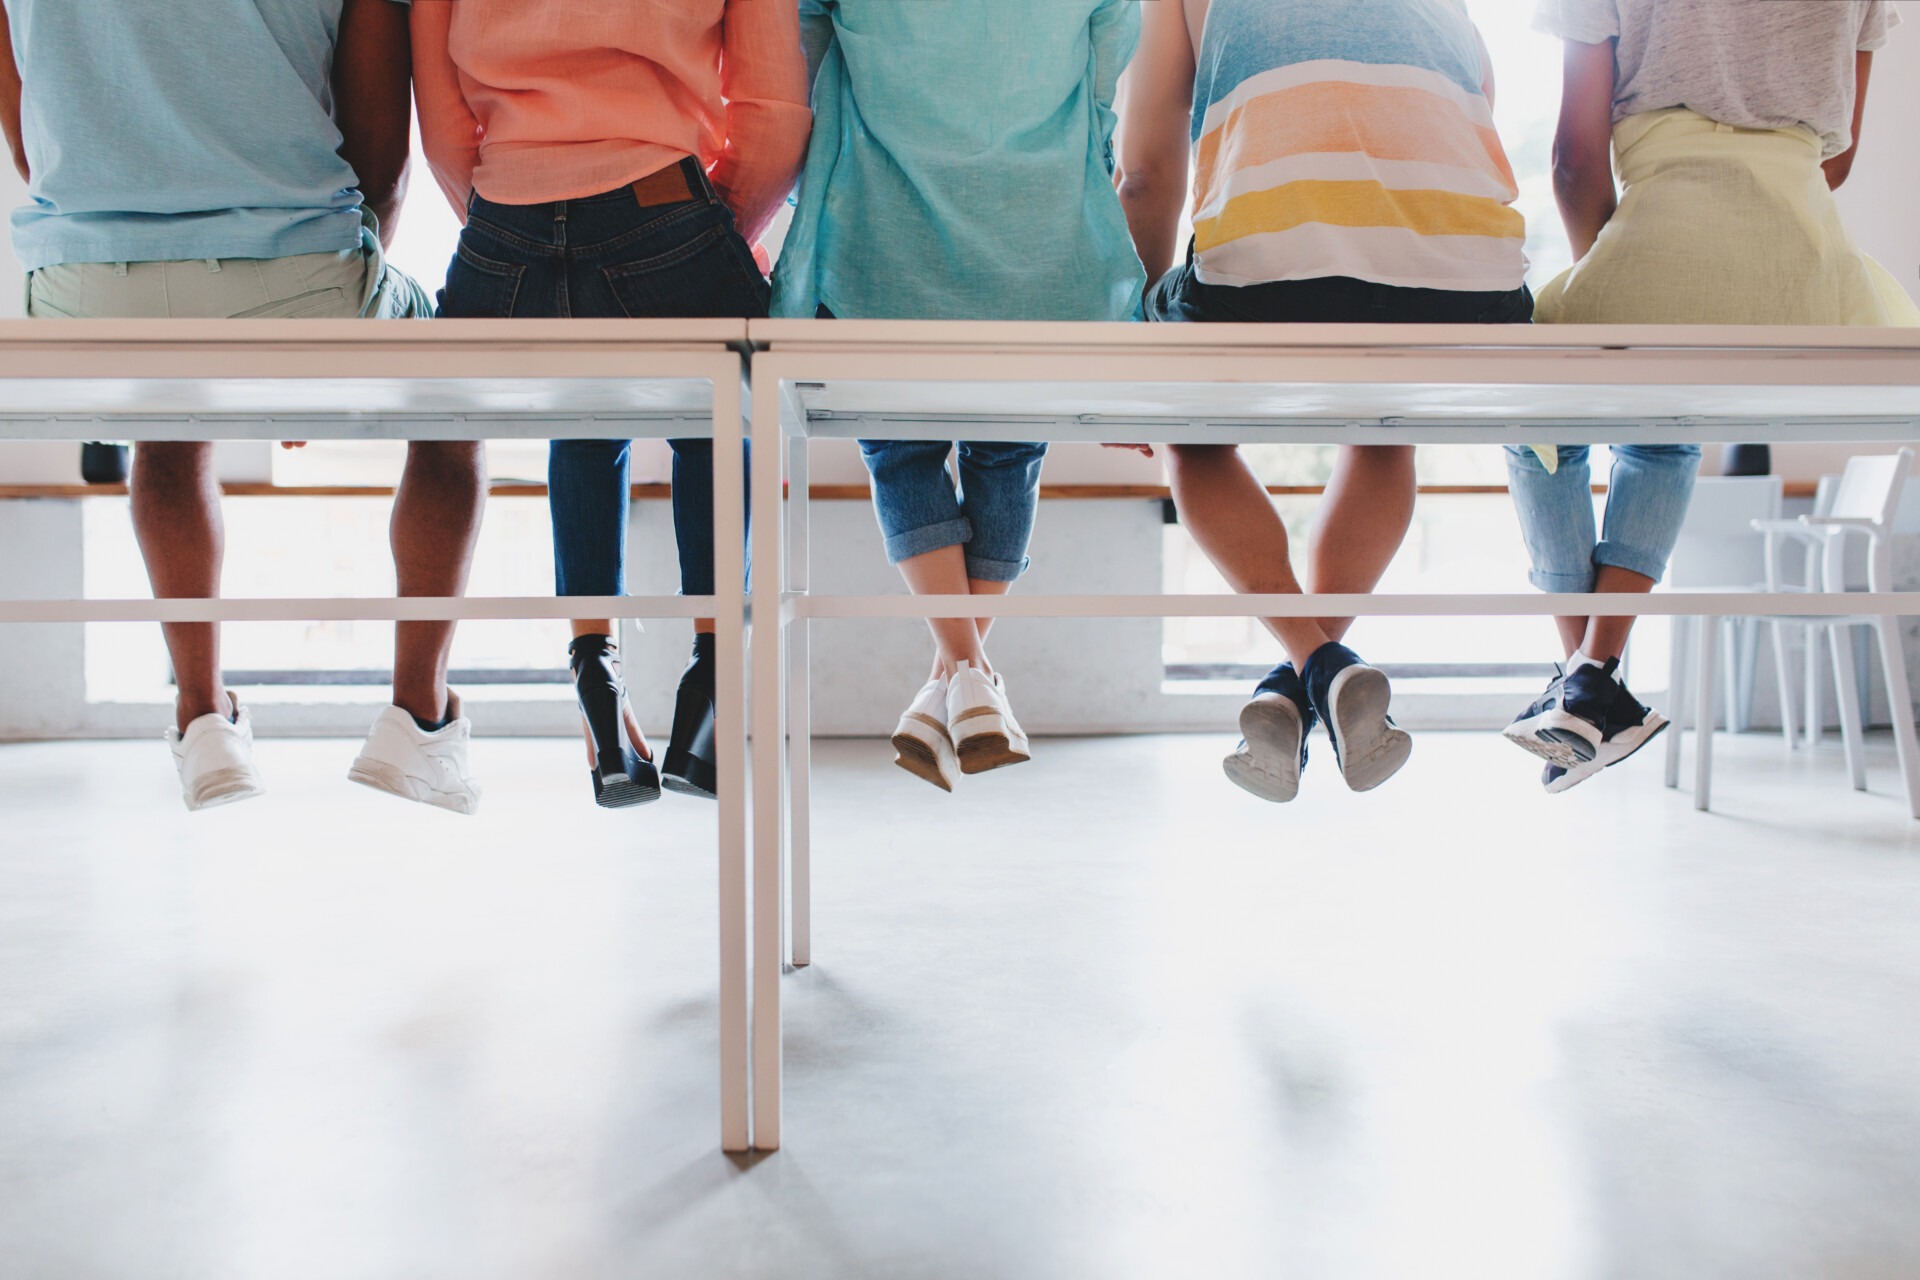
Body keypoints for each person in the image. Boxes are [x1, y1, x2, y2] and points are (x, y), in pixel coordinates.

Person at [0, 0, 488, 814]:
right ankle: (419, 718)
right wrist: (321, 345)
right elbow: (382, 158)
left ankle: (201, 718)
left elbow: (26, 125)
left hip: (82, 289)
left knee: (165, 419)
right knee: (455, 398)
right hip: (298, 273)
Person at [1115, 0, 1531, 802]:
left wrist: (1143, 357)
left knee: (1191, 432)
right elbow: (1466, 121)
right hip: (1476, 280)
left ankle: (1312, 663)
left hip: (1270, 271)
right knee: (1384, 428)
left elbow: (1145, 174)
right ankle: (1306, 682)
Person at [1507, 0, 1917, 793]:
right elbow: (1838, 158)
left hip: (1668, 222)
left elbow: (1572, 159)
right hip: (1809, 272)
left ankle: (1586, 678)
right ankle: (1589, 686)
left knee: (1536, 424)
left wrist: (1630, 278)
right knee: (1667, 426)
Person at [412, 0, 810, 808]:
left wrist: (522, 229)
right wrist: (692, 226)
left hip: (502, 227)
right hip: (657, 195)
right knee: (720, 412)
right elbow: (773, 116)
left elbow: (444, 119)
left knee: (583, 414)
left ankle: (593, 665)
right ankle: (711, 672)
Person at [774, 0, 1146, 792]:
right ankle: (967, 680)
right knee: (1008, 454)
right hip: (1035, 232)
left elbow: (800, 44)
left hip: (880, 223)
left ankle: (957, 678)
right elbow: (1108, 61)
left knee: (900, 453)